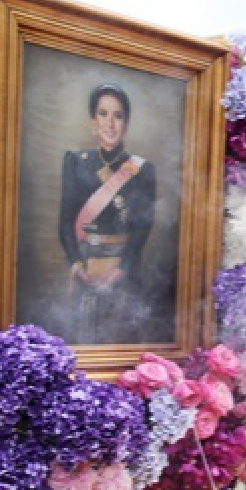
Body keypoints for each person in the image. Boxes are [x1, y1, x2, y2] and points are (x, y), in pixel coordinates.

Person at [58, 83, 157, 344]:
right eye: (103, 114)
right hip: (85, 264)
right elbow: (66, 221)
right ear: (93, 120)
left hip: (123, 266)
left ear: (126, 124)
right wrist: (76, 263)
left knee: (120, 340)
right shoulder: (75, 161)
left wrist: (122, 268)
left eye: (118, 115)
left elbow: (142, 227)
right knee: (83, 340)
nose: (110, 123)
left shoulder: (142, 169)